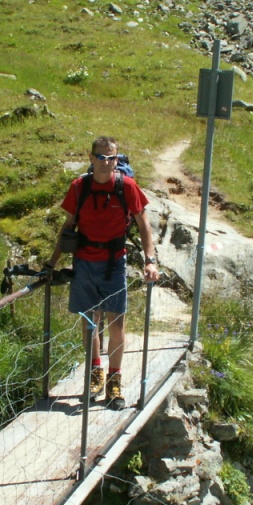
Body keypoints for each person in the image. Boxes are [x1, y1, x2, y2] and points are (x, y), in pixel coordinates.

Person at [45, 136, 159, 409]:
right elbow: (68, 227)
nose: (106, 162)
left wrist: (150, 260)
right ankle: (95, 372)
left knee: (116, 323)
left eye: (111, 158)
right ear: (91, 157)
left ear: (117, 159)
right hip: (84, 262)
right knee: (89, 321)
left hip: (114, 262)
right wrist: (51, 263)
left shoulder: (126, 186)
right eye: (101, 157)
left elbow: (144, 224)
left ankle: (114, 381)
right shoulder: (79, 187)